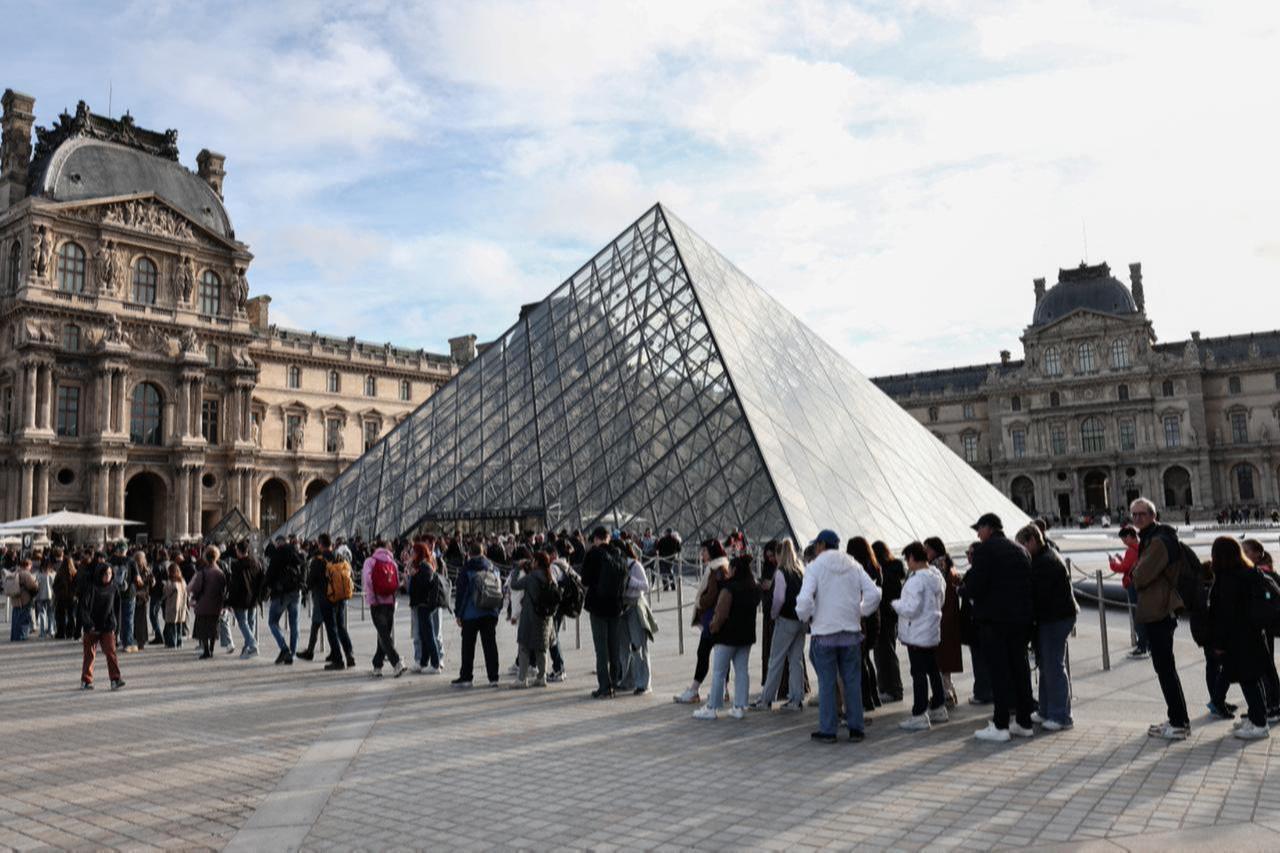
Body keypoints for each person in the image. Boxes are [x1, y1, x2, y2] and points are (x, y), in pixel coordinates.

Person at [795, 529, 882, 743]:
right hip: (851, 632)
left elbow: (804, 601)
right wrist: (859, 611)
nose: (816, 548)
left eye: (817, 545)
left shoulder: (814, 567)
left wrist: (807, 616)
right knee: (852, 681)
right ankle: (856, 728)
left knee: (826, 683)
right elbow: (875, 593)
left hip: (824, 633)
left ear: (822, 545)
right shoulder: (853, 565)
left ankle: (828, 730)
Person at [964, 513, 1035, 743]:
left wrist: (962, 590)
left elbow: (975, 585)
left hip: (995, 621)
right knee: (1020, 669)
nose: (977, 534)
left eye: (979, 529)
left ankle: (1001, 724)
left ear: (989, 528)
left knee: (999, 672)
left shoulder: (986, 550)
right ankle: (1024, 722)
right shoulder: (1020, 549)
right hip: (1020, 620)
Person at [1128, 497, 1192, 740]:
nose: (1137, 519)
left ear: (1153, 515)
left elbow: (1140, 576)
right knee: (1164, 668)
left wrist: (1137, 571)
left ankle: (1179, 723)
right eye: (1134, 515)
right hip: (1158, 608)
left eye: (1141, 514)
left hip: (1160, 609)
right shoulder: (1153, 537)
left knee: (1165, 668)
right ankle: (1176, 718)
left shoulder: (1158, 542)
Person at [1208, 537, 1271, 740]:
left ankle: (1260, 724)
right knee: (1253, 679)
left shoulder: (1227, 578)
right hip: (1254, 634)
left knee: (1248, 681)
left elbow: (1223, 615)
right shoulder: (1250, 572)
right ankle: (1256, 718)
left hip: (1237, 638)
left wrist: (1218, 643)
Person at [1018, 523, 1078, 731]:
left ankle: (1061, 716)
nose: (1022, 550)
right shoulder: (1044, 557)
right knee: (1047, 665)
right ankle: (1046, 709)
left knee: (1053, 666)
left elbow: (1038, 597)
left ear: (1032, 541)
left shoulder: (1045, 563)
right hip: (1055, 616)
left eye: (1022, 545)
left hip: (1055, 618)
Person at [693, 553, 760, 720]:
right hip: (746, 637)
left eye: (730, 568)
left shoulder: (729, 589)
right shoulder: (753, 588)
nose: (728, 571)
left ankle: (712, 708)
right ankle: (739, 706)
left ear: (735, 569)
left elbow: (720, 614)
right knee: (742, 671)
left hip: (727, 637)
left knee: (719, 673)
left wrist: (712, 627)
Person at [893, 541, 947, 731]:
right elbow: (941, 601)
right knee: (933, 669)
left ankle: (919, 714)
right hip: (931, 630)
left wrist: (895, 604)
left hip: (916, 632)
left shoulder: (916, 580)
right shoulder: (936, 575)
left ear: (913, 558)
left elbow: (910, 609)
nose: (907, 564)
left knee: (918, 673)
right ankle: (939, 706)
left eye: (907, 560)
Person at [753, 539, 807, 711]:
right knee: (795, 660)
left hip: (786, 621)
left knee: (775, 660)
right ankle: (796, 699)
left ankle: (766, 699)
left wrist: (774, 614)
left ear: (779, 554)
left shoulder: (781, 573)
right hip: (800, 621)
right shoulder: (800, 571)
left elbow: (779, 599)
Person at [673, 539, 730, 704]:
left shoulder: (717, 569)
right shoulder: (719, 567)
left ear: (711, 551)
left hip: (714, 619)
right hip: (716, 618)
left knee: (704, 652)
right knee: (720, 654)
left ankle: (694, 690)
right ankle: (722, 690)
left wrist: (700, 602)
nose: (702, 554)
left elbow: (714, 594)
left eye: (704, 551)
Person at [581, 527, 626, 699]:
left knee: (601, 650)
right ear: (608, 537)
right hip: (616, 607)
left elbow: (585, 579)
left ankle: (604, 687)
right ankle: (614, 683)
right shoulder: (618, 554)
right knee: (614, 648)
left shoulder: (594, 554)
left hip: (598, 607)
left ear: (596, 539)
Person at [451, 541, 502, 688]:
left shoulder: (466, 569)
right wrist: (497, 611)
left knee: (468, 646)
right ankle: (493, 678)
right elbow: (499, 590)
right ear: (483, 552)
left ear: (469, 553)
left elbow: (461, 594)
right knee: (490, 645)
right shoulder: (493, 568)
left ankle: (466, 677)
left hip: (470, 613)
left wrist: (458, 614)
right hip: (489, 611)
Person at [1242, 539, 1280, 724]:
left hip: (1265, 627)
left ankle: (1273, 705)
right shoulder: (1256, 572)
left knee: (1265, 667)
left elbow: (1266, 603)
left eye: (1247, 551)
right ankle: (1266, 704)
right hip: (1263, 626)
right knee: (1264, 667)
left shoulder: (1262, 573)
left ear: (1258, 553)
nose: (1244, 555)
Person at [924, 537, 963, 708]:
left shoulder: (936, 569)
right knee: (945, 660)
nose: (925, 553)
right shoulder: (949, 565)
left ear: (935, 550)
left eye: (927, 549)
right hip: (950, 618)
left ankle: (945, 694)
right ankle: (948, 692)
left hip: (941, 618)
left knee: (940, 659)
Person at [509, 551, 556, 688]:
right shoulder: (549, 576)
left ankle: (522, 679)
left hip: (530, 617)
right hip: (545, 617)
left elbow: (514, 585)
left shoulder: (531, 577)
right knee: (541, 648)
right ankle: (542, 677)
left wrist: (518, 568)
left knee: (524, 646)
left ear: (536, 562)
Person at [78, 557, 124, 690]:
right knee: (90, 655)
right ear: (99, 574)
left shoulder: (113, 588)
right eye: (105, 574)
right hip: (92, 626)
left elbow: (117, 609)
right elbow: (83, 608)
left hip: (107, 625)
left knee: (111, 652)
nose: (107, 577)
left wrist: (117, 627)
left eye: (110, 574)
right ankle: (86, 680)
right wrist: (88, 624)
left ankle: (115, 679)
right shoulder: (91, 587)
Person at [363, 541, 407, 678]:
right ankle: (377, 666)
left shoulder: (370, 561)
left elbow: (367, 580)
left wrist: (372, 598)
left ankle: (396, 662)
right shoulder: (392, 562)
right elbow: (395, 582)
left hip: (377, 603)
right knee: (383, 635)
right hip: (390, 603)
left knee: (384, 636)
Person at [847, 538, 881, 714]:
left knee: (860, 661)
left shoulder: (859, 569)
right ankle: (873, 697)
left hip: (863, 619)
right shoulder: (874, 566)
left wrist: (860, 611)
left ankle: (866, 699)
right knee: (865, 659)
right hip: (874, 617)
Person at [618, 541, 656, 694]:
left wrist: (629, 581)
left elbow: (645, 586)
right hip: (622, 608)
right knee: (624, 648)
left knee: (638, 645)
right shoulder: (617, 566)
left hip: (634, 606)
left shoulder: (635, 565)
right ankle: (628, 680)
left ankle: (644, 683)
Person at [958, 540, 992, 705]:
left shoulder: (977, 572)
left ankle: (983, 693)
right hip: (977, 623)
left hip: (977, 623)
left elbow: (973, 593)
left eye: (970, 554)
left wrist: (961, 590)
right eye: (967, 553)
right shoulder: (979, 571)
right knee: (981, 659)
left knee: (980, 660)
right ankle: (984, 691)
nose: (968, 556)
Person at [872, 540, 906, 704]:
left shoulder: (884, 572)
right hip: (890, 616)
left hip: (883, 616)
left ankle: (890, 689)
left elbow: (883, 595)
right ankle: (889, 688)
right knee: (886, 652)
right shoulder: (895, 569)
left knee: (884, 653)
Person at [1108, 526, 1148, 658]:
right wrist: (1121, 559)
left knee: (1137, 616)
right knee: (1143, 614)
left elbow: (1124, 568)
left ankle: (1142, 647)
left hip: (1132, 585)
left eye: (1124, 538)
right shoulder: (1142, 547)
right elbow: (1130, 565)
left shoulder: (1131, 550)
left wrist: (1113, 563)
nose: (1124, 541)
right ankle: (1146, 644)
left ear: (1131, 536)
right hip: (1142, 584)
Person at [318, 534, 356, 671]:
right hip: (341, 597)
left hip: (327, 598)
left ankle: (338, 660)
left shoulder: (319, 560)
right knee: (341, 626)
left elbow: (311, 580)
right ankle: (349, 654)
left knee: (331, 629)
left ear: (320, 544)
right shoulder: (340, 556)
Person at [265, 536, 304, 665]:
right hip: (296, 592)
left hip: (281, 594)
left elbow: (269, 576)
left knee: (272, 622)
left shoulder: (277, 555)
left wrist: (266, 590)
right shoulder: (295, 553)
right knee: (294, 624)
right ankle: (292, 654)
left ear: (278, 544)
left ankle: (284, 648)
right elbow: (303, 568)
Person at [408, 549, 446, 673]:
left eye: (414, 552)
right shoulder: (420, 566)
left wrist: (415, 575)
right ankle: (424, 662)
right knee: (424, 635)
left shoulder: (425, 566)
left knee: (429, 634)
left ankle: (435, 664)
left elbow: (425, 584)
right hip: (421, 604)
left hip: (425, 605)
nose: (411, 554)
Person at [187, 546, 228, 660]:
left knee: (203, 628)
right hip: (216, 604)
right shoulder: (220, 573)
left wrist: (194, 598)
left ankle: (206, 650)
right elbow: (223, 588)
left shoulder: (203, 573)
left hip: (203, 604)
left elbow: (196, 588)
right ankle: (211, 649)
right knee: (213, 627)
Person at [227, 542, 264, 660]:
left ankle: (252, 646)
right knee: (250, 622)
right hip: (253, 598)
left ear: (239, 551)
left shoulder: (237, 565)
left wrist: (229, 601)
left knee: (243, 623)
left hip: (241, 599)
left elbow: (234, 585)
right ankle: (247, 647)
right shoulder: (256, 563)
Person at [6, 558, 38, 641]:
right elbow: (32, 586)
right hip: (24, 599)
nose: (31, 568)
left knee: (15, 620)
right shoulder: (26, 574)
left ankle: (14, 636)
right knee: (24, 619)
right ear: (27, 565)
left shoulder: (15, 572)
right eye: (30, 566)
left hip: (15, 599)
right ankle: (22, 636)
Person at [52, 548, 79, 640]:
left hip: (61, 597)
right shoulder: (75, 573)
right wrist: (75, 594)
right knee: (71, 616)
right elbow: (77, 585)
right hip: (72, 598)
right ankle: (70, 632)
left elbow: (55, 585)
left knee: (61, 616)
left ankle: (61, 632)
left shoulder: (60, 573)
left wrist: (58, 593)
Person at [162, 564, 188, 648]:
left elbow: (166, 593)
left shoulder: (171, 583)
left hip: (172, 606)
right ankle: (179, 642)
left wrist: (164, 584)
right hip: (181, 607)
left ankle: (172, 643)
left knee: (171, 626)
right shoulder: (183, 582)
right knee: (179, 625)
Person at [35, 557, 56, 639]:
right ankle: (51, 631)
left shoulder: (39, 575)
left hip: (40, 596)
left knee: (42, 614)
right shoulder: (53, 574)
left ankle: (42, 633)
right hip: (51, 596)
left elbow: (36, 585)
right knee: (51, 614)